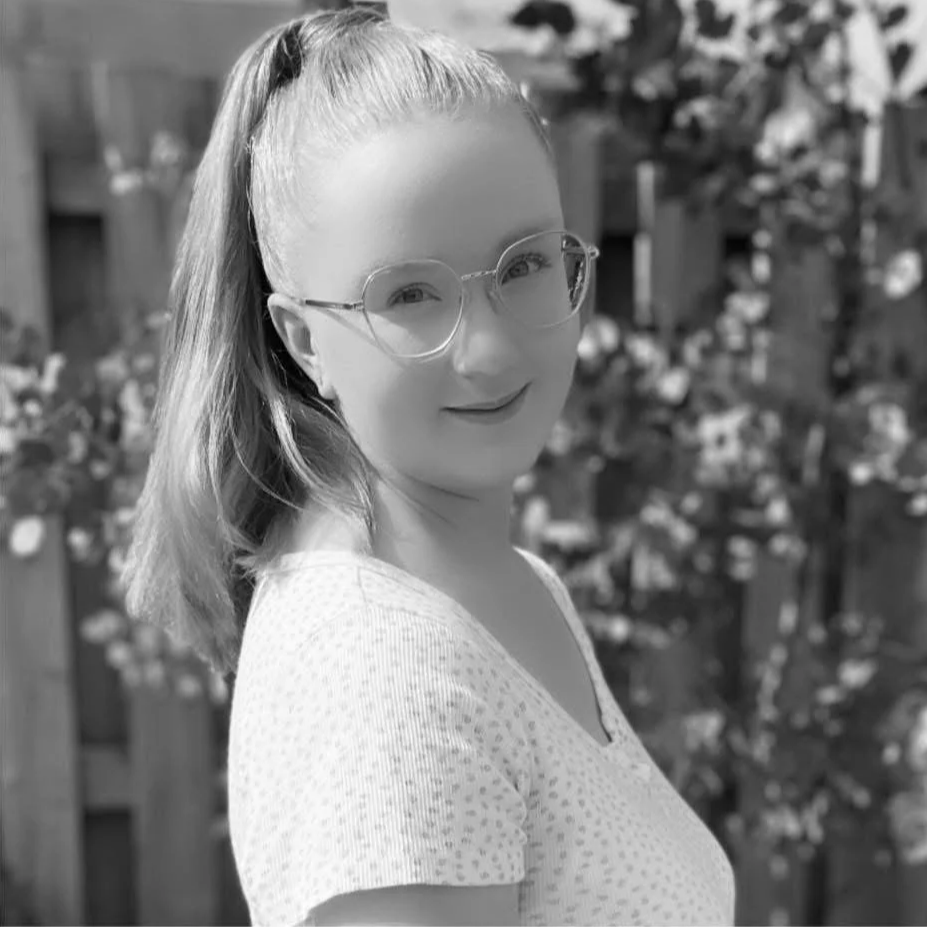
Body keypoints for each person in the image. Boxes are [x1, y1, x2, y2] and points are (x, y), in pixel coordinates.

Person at [123, 7, 735, 926]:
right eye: (408, 294)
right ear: (302, 339)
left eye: (524, 263)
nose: (488, 350)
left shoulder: (510, 585)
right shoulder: (386, 669)